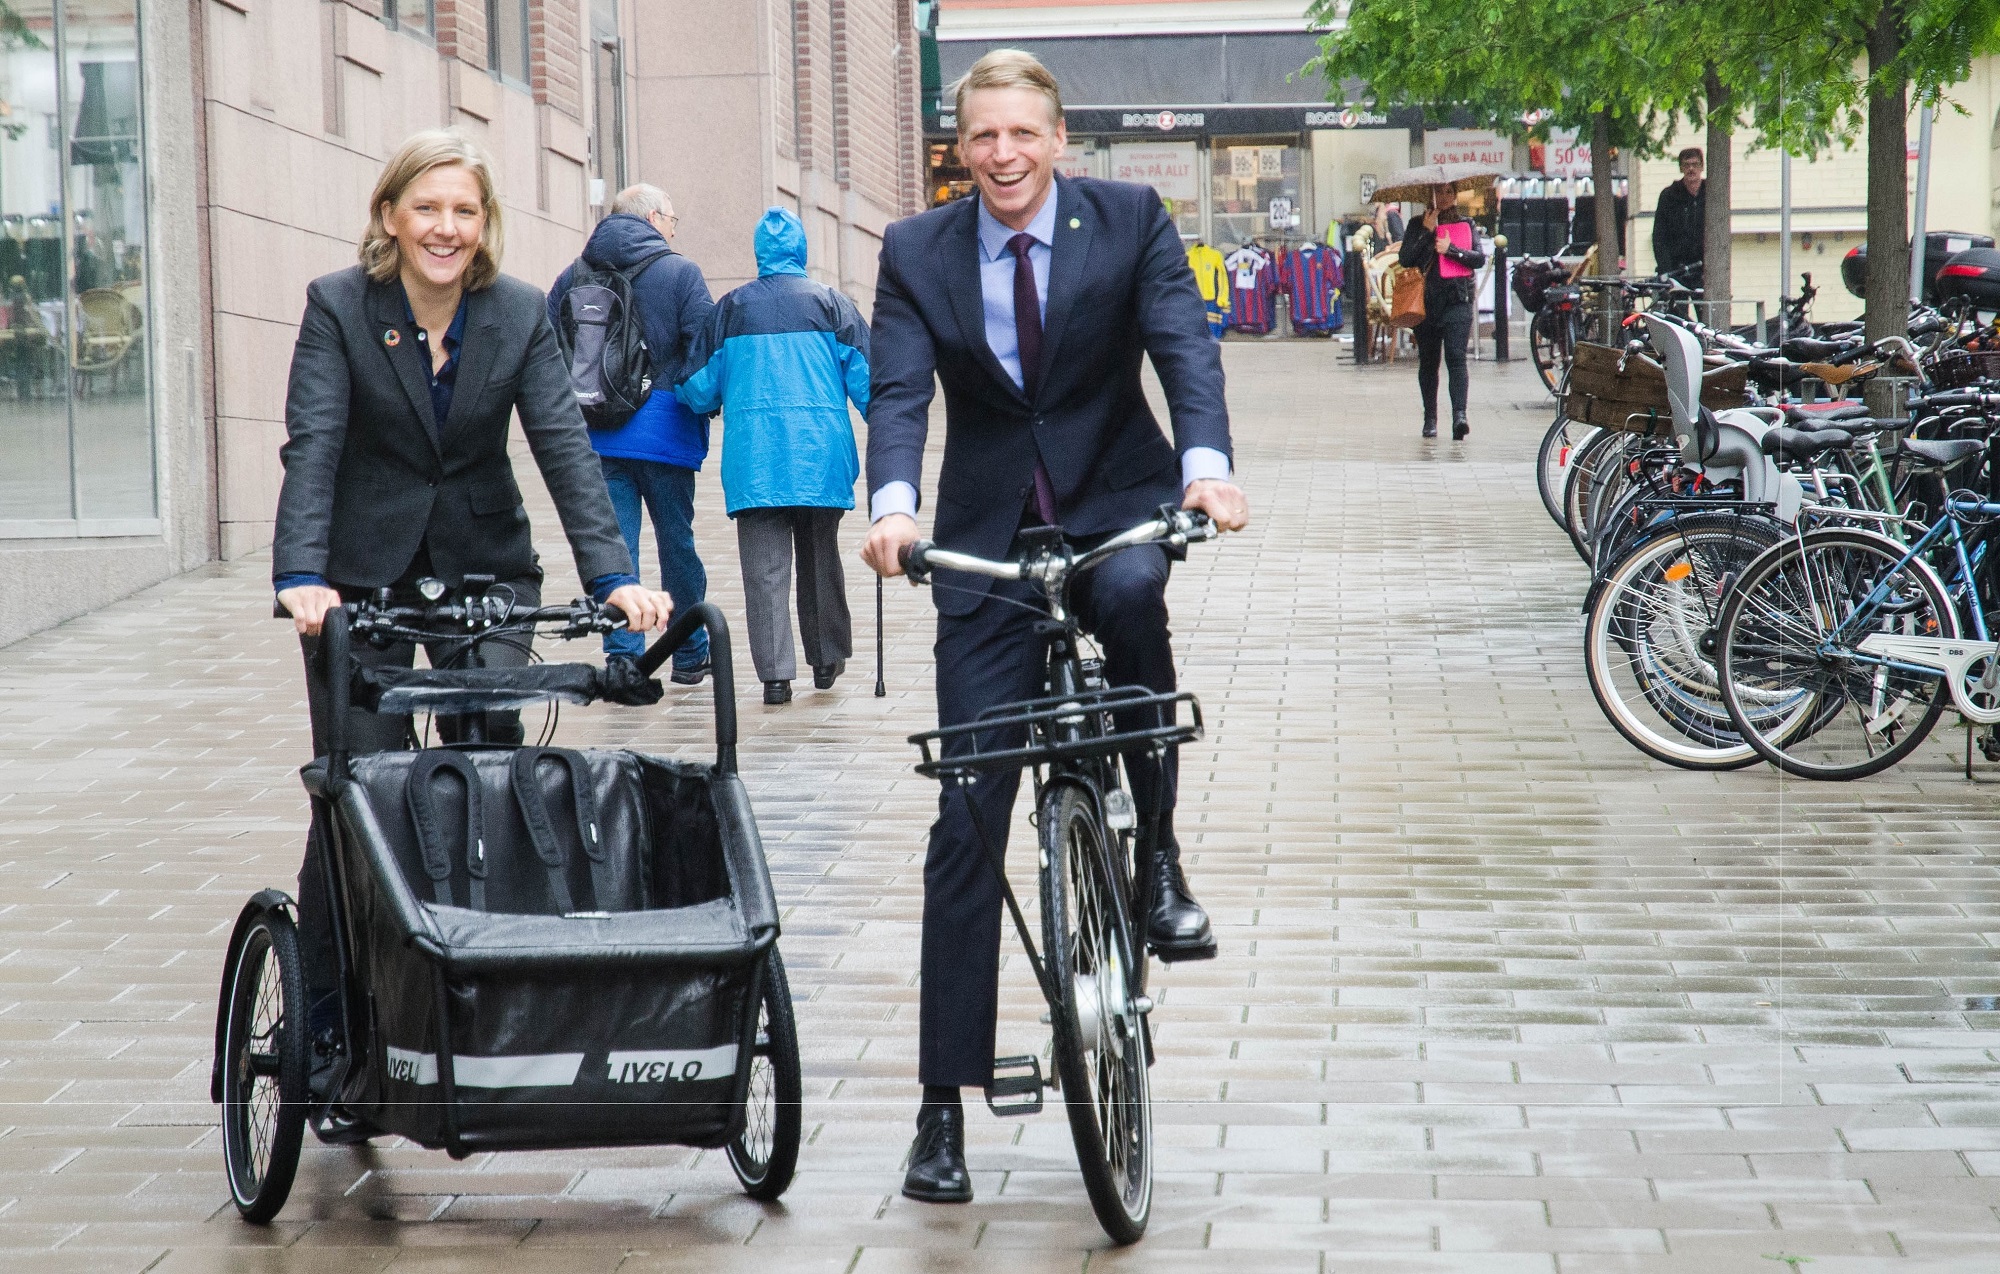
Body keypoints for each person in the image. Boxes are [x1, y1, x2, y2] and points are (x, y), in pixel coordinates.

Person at [859, 48, 1251, 1205]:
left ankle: (1159, 861)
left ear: (1057, 137)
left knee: (1132, 603)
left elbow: (1183, 343)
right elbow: (896, 392)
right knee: (968, 809)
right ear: (959, 146)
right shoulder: (914, 250)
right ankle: (941, 1107)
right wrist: (888, 507)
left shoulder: (1128, 219)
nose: (1003, 154)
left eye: (1022, 133)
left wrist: (1206, 469)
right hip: (984, 533)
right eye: (982, 136)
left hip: (1115, 497)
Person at [271, 129, 672, 1056]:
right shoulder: (338, 306)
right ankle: (329, 1017)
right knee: (356, 782)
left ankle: (483, 986)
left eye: (464, 210)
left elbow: (566, 448)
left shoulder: (520, 311)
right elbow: (314, 443)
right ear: (390, 217)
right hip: (358, 575)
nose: (447, 228)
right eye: (428, 208)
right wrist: (302, 573)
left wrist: (614, 579)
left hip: (485, 566)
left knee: (492, 763)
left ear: (483, 222)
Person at [676, 207, 868, 705]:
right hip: (819, 458)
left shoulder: (732, 309)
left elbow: (698, 388)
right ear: (802, 250)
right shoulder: (833, 305)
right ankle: (826, 659)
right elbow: (872, 385)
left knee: (764, 571)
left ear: (760, 253)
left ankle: (775, 676)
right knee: (820, 560)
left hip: (755, 460)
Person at [547, 184, 716, 685]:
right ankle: (688, 655)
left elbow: (551, 343)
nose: (672, 229)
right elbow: (703, 345)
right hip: (667, 430)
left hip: (597, 431)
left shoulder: (573, 274)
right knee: (676, 544)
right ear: (653, 218)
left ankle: (624, 659)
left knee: (617, 550)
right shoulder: (680, 272)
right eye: (671, 220)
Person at [1399, 182, 1486, 440]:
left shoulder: (1465, 225)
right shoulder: (1417, 224)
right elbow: (1405, 259)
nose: (1444, 197)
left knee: (1456, 358)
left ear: (1456, 196)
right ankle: (1430, 419)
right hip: (1425, 303)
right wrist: (1426, 233)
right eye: (1439, 191)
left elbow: (1478, 259)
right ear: (1430, 195)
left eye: (1449, 192)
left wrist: (1452, 250)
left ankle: (1460, 416)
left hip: (1457, 300)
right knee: (1428, 361)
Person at [1652, 147, 1705, 285]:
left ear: (1702, 166)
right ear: (1681, 168)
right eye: (1686, 165)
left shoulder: (1710, 193)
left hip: (1703, 271)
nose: (1691, 169)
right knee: (1675, 306)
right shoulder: (1669, 196)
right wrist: (1666, 270)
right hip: (1675, 270)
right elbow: (1659, 236)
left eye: (1695, 164)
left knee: (1707, 306)